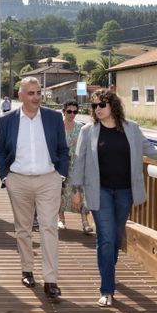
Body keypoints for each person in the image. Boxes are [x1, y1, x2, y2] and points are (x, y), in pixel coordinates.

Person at [71, 90, 157, 307]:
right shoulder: (88, 131)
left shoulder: (131, 128)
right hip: (99, 190)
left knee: (115, 236)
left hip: (124, 191)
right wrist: (76, 189)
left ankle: (108, 271)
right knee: (105, 237)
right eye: (93, 107)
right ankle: (107, 289)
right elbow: (79, 161)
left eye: (101, 105)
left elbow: (150, 150)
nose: (97, 110)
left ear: (112, 105)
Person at [0, 77, 69, 299]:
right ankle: (27, 269)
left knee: (48, 227)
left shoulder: (54, 118)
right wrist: (5, 176)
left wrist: (61, 175)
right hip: (18, 180)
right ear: (20, 96)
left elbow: (63, 149)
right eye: (31, 93)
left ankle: (51, 279)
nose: (36, 97)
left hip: (49, 180)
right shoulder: (7, 121)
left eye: (38, 93)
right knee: (23, 229)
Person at [58, 100, 93, 233]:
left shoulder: (81, 128)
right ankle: (61, 219)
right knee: (60, 191)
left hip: (77, 164)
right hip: (61, 164)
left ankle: (85, 222)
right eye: (69, 111)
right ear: (64, 111)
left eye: (75, 111)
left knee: (80, 190)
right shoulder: (58, 127)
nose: (72, 114)